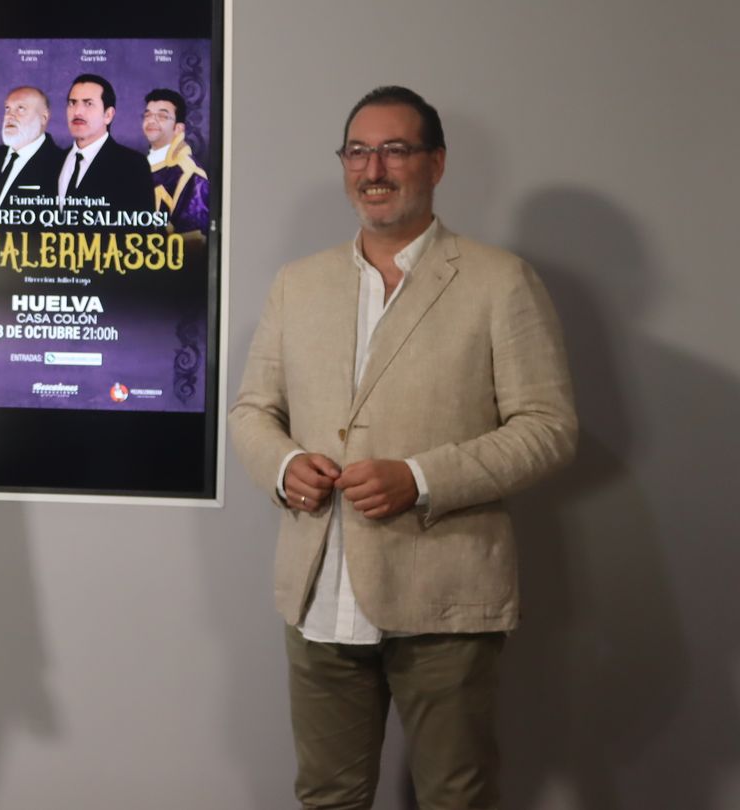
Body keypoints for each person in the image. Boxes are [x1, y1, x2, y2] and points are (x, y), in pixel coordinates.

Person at [227, 86, 576, 809]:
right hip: (319, 592)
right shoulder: (298, 284)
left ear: (436, 163)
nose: (373, 168)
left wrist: (419, 479)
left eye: (395, 149)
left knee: (456, 795)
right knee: (327, 795)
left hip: (446, 595)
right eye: (357, 151)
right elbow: (253, 411)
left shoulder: (499, 281)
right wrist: (287, 466)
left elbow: (548, 427)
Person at [0, 85, 65, 223]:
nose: (9, 115)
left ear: (43, 117)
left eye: (21, 108)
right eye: (7, 108)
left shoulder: (60, 164)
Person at [56, 73, 154, 215]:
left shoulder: (132, 166)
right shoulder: (54, 160)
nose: (77, 111)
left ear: (108, 115)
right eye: (72, 103)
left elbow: (140, 231)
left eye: (88, 103)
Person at [141, 87, 210, 234]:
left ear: (178, 128)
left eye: (162, 116)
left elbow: (195, 240)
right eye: (148, 115)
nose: (151, 121)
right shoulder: (137, 166)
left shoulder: (189, 174)